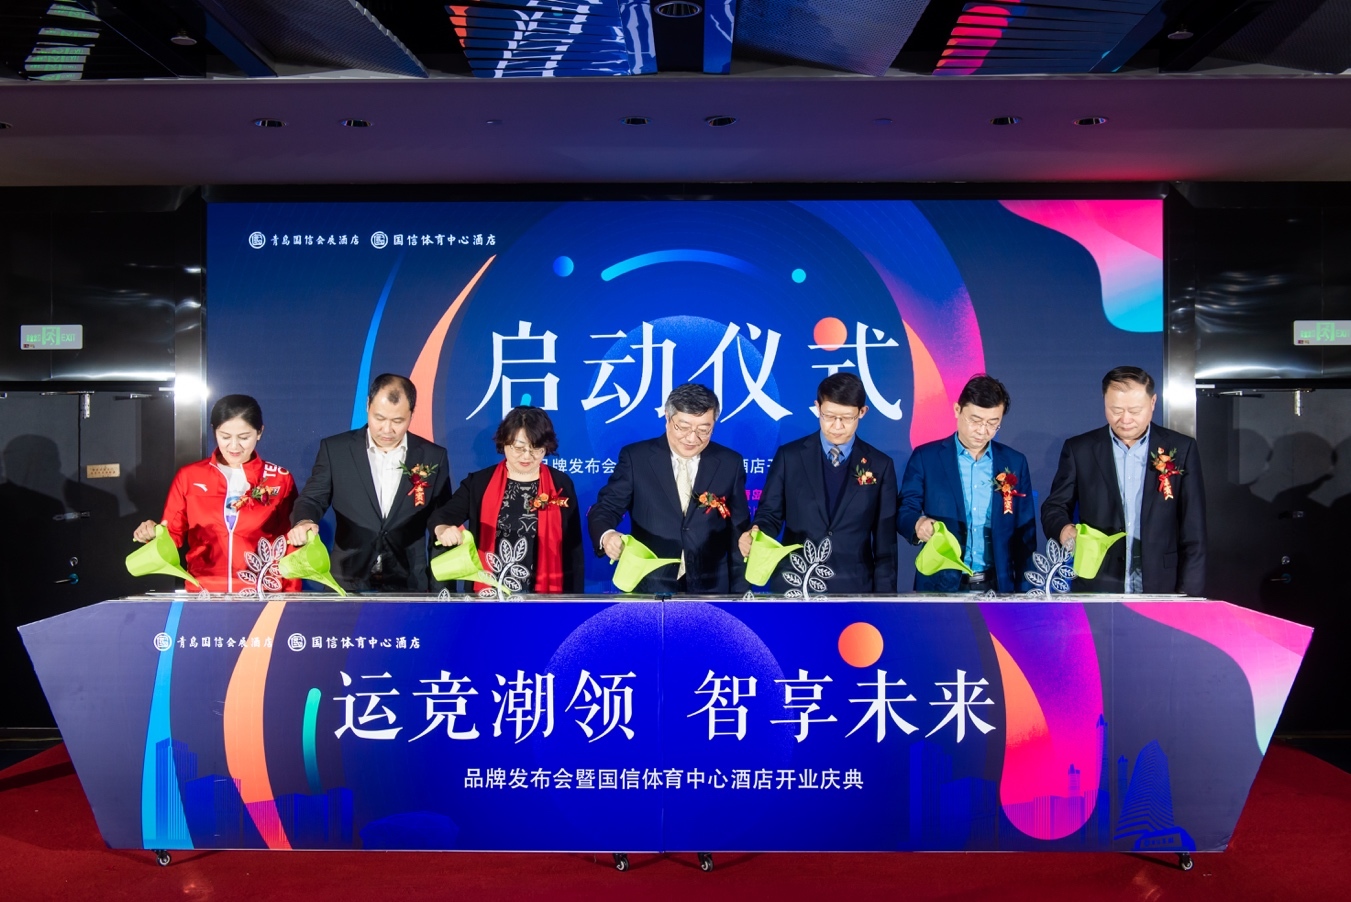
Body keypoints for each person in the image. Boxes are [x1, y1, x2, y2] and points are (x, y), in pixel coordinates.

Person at [1042, 366, 1206, 595]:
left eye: (1135, 410)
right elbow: (1054, 507)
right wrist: (1065, 530)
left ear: (1153, 402)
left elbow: (1194, 530)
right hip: (1098, 582)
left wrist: (1188, 597)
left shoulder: (1181, 448)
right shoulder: (1081, 449)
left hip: (1161, 582)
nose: (1125, 419)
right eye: (1116, 410)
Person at [287, 374, 451, 592]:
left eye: (398, 421)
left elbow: (442, 522)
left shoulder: (433, 456)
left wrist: (443, 592)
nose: (387, 430)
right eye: (379, 418)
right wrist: (304, 521)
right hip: (347, 578)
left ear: (412, 413)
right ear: (367, 406)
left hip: (408, 581)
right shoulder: (336, 450)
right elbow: (312, 499)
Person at [740, 373, 897, 594]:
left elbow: (885, 542)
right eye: (829, 416)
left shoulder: (880, 465)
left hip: (854, 585)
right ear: (817, 408)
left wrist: (885, 599)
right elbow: (770, 514)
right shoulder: (790, 457)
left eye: (847, 418)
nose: (837, 426)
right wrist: (757, 532)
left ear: (862, 412)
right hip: (796, 581)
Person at [588, 383, 750, 594]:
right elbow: (606, 508)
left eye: (704, 430)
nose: (692, 438)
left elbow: (739, 533)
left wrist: (740, 593)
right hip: (650, 585)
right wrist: (608, 535)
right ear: (667, 417)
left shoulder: (730, 463)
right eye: (683, 427)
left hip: (711, 586)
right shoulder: (637, 458)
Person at [133, 394, 299, 594]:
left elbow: (291, 544)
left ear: (259, 432)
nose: (234, 446)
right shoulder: (190, 476)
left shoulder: (279, 478)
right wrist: (154, 534)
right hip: (204, 592)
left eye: (244, 437)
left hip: (263, 593)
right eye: (225, 437)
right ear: (214, 431)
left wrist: (292, 598)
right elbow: (172, 535)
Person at [897, 374, 1036, 593]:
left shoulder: (1014, 462)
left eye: (993, 424)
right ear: (957, 410)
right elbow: (905, 509)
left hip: (998, 585)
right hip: (940, 585)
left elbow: (1025, 532)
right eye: (975, 421)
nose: (982, 431)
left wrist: (1025, 590)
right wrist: (918, 523)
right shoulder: (927, 458)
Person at [428, 407, 585, 594]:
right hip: (491, 594)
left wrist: (575, 598)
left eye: (535, 448)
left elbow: (574, 548)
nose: (527, 456)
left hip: (545, 594)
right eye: (519, 448)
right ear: (504, 443)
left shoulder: (560, 484)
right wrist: (443, 529)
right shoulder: (480, 483)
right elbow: (442, 516)